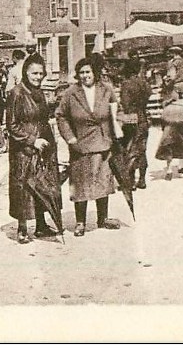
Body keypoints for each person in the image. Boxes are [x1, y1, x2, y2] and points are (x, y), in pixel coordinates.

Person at [55, 58, 120, 237]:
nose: (85, 76)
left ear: (95, 73)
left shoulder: (106, 90)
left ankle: (102, 218)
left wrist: (114, 132)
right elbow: (61, 116)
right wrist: (70, 138)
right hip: (80, 144)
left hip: (102, 142)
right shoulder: (70, 93)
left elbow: (115, 111)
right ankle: (80, 222)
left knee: (102, 179)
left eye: (88, 72)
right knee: (80, 183)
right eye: (82, 73)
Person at [5, 54, 62, 243]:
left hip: (44, 146)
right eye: (34, 73)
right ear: (25, 73)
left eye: (40, 73)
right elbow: (12, 125)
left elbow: (43, 118)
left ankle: (41, 225)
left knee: (43, 184)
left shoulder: (40, 93)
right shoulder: (16, 93)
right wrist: (31, 140)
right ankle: (22, 228)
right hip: (23, 149)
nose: (38, 77)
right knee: (23, 186)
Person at [118, 57, 152, 189]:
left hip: (131, 119)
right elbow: (148, 95)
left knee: (130, 149)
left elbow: (125, 104)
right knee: (142, 150)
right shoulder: (144, 83)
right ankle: (142, 179)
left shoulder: (126, 84)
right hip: (143, 117)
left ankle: (130, 181)